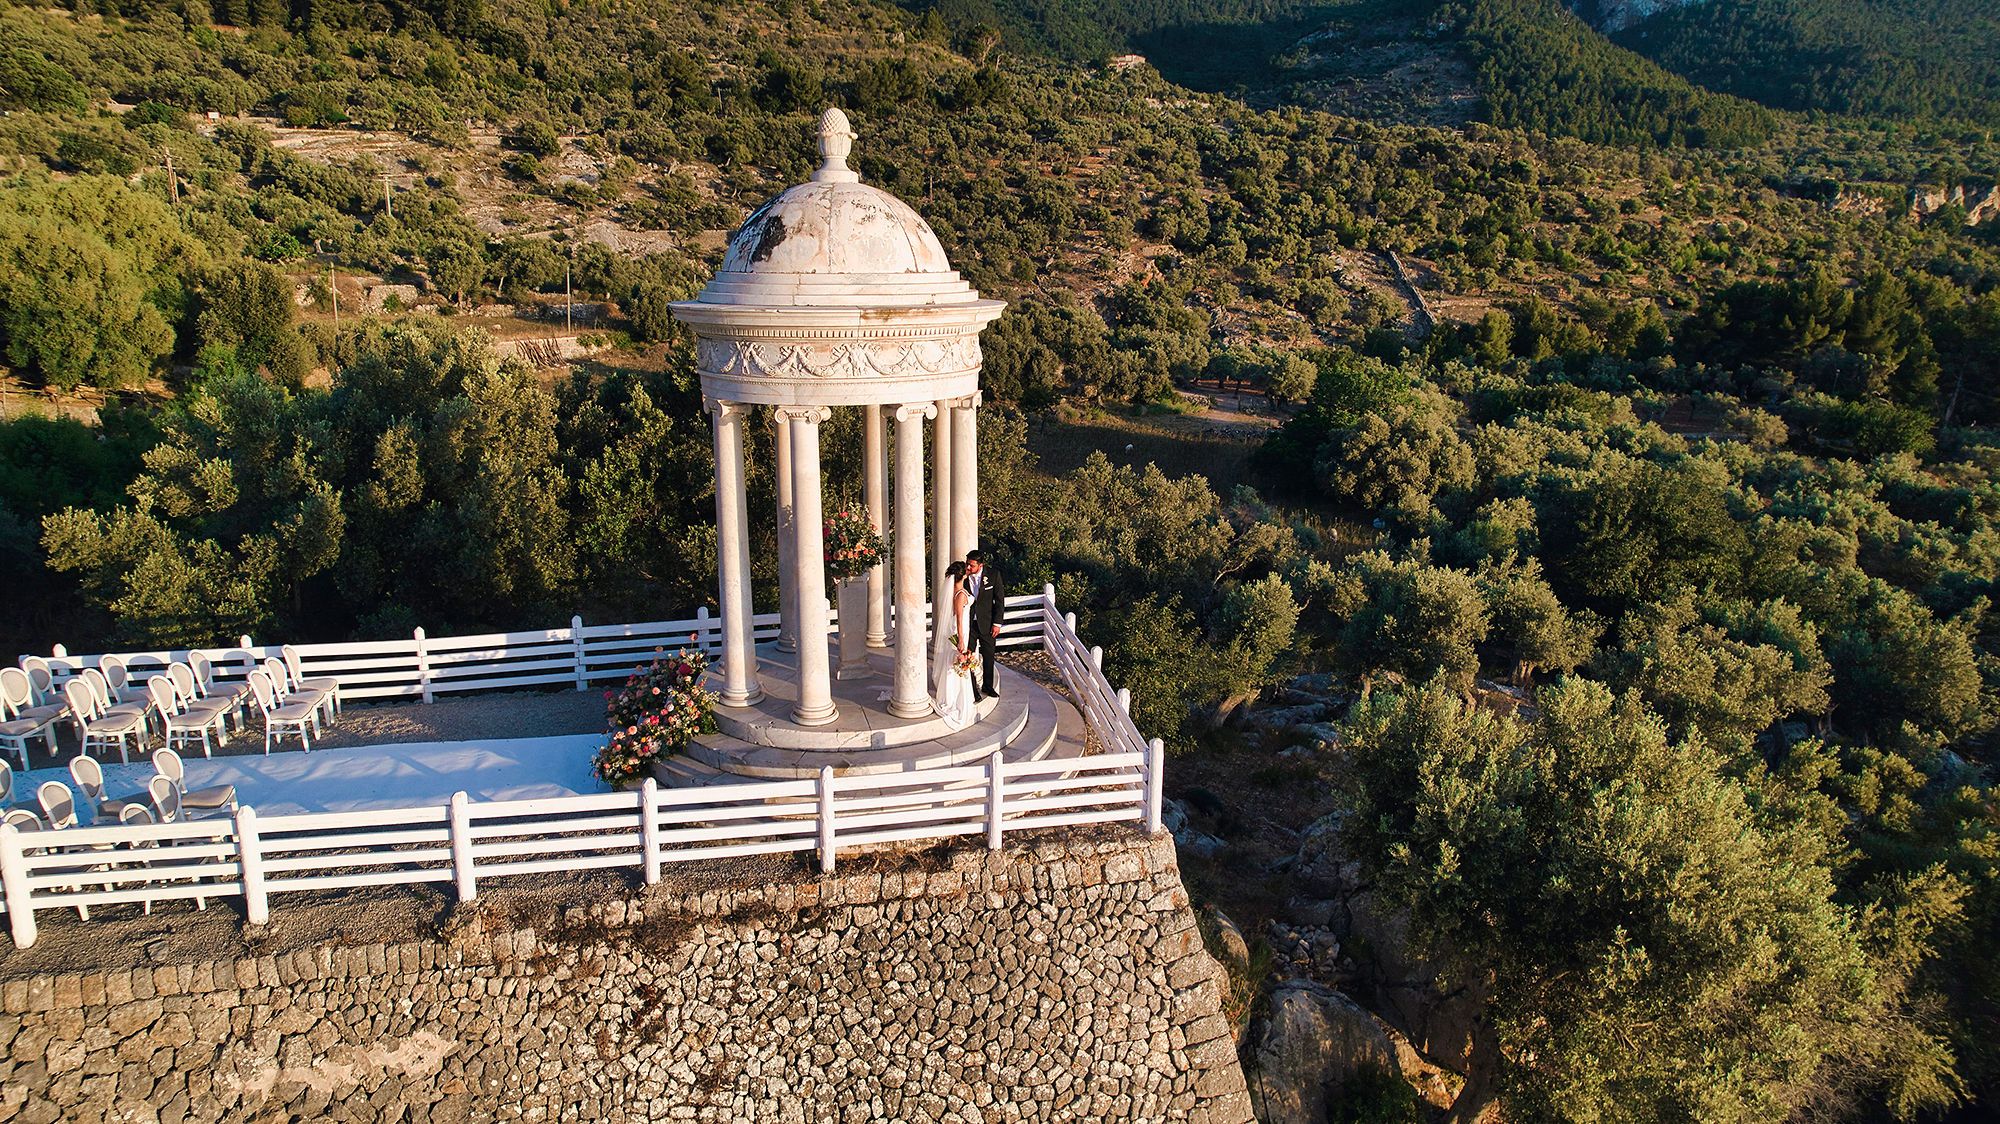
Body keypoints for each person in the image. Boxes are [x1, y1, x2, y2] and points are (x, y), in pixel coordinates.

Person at [930, 561, 977, 730]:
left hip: (957, 630)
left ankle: (952, 695)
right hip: (958, 631)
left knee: (953, 664)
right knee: (955, 665)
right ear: (962, 575)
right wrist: (962, 639)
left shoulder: (954, 591)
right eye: (966, 570)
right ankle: (952, 699)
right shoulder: (961, 594)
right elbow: (959, 618)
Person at [964, 550, 1006, 699]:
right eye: (967, 564)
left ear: (980, 565)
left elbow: (1000, 600)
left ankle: (988, 687)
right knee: (966, 656)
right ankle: (972, 689)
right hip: (967, 624)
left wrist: (997, 623)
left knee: (988, 656)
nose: (968, 568)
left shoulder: (994, 575)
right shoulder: (962, 577)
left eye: (971, 566)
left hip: (987, 623)